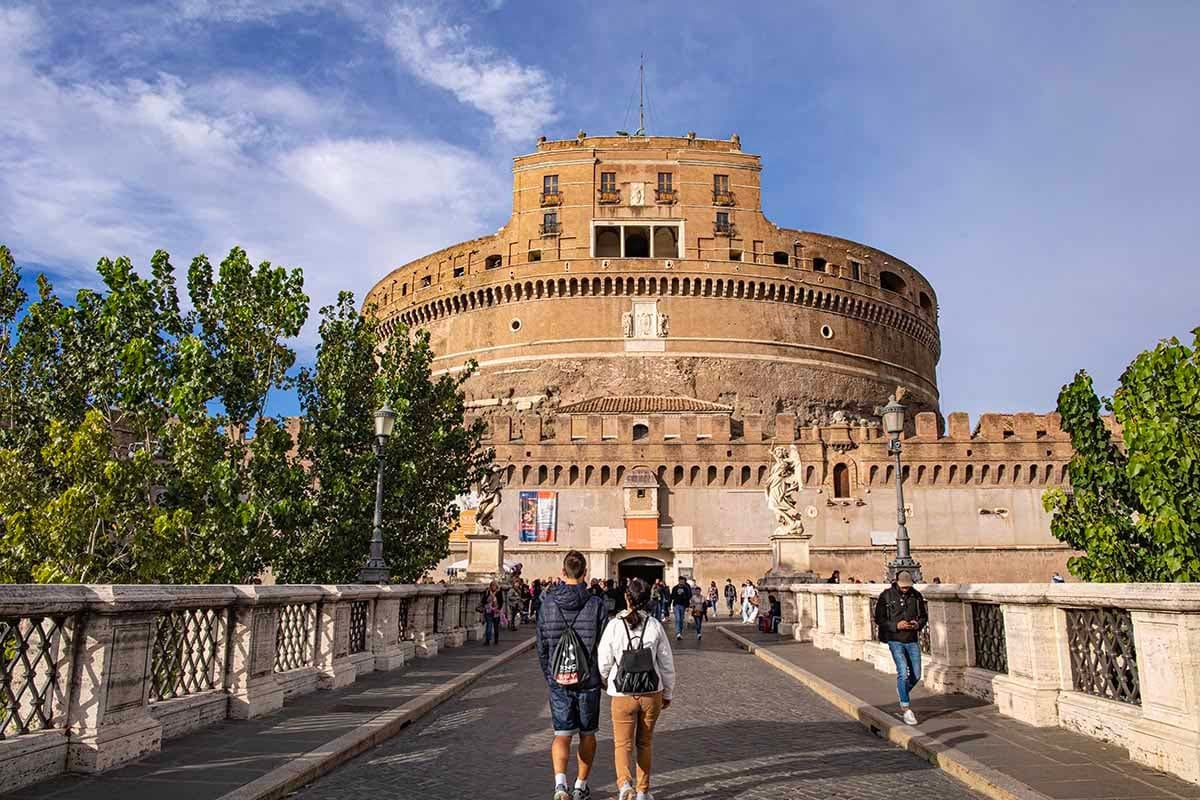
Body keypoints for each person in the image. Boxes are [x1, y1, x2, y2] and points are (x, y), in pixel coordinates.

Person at [536, 550, 609, 800]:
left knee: (561, 733)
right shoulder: (596, 604)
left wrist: (551, 676)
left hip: (559, 678)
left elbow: (542, 646)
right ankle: (580, 785)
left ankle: (559, 785)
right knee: (588, 734)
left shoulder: (547, 604)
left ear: (562, 572)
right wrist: (602, 675)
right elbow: (604, 645)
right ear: (585, 574)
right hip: (588, 679)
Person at [597, 578, 676, 800]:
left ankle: (624, 785)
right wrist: (668, 693)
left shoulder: (614, 625)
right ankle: (643, 791)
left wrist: (605, 679)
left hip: (622, 693)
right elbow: (667, 663)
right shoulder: (655, 626)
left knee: (622, 744)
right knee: (645, 743)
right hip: (651, 692)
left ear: (626, 597)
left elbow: (603, 660)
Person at [873, 570, 928, 726]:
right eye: (903, 587)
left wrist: (918, 624)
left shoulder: (916, 596)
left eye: (907, 587)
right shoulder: (886, 596)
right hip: (895, 639)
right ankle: (906, 709)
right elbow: (879, 618)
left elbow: (923, 616)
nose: (905, 589)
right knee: (903, 672)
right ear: (896, 582)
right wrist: (896, 625)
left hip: (911, 638)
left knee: (916, 675)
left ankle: (902, 690)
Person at [482, 580, 504, 645]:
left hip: (496, 612)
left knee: (496, 626)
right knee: (489, 625)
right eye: (492, 586)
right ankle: (487, 640)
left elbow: (501, 602)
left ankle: (496, 640)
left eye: (494, 586)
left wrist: (499, 609)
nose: (493, 587)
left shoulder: (499, 592)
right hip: (488, 611)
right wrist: (488, 600)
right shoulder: (487, 592)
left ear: (496, 587)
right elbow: (483, 601)